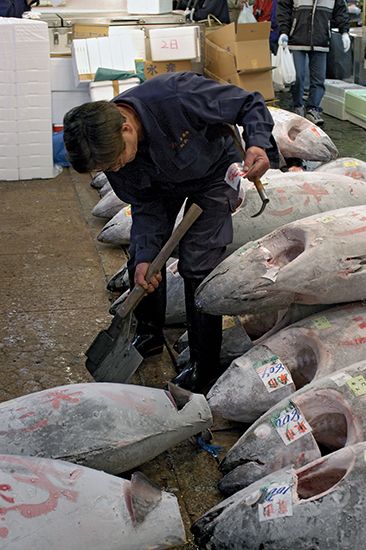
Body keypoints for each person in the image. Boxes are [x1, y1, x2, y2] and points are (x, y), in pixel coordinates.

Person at [63, 72, 278, 393]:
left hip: (212, 172)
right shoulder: (114, 157)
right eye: (107, 168)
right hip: (157, 185)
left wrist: (258, 143)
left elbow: (249, 103)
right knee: (142, 260)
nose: (115, 169)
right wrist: (147, 256)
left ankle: (204, 366)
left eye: (117, 161)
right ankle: (148, 332)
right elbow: (145, 206)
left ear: (127, 126)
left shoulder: (176, 96)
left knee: (198, 263)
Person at [276, 0, 350, 126]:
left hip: (321, 38)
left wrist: (344, 31)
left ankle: (313, 109)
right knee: (298, 76)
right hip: (297, 37)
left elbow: (341, 10)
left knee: (318, 79)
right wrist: (284, 31)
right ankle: (298, 106)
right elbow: (284, 7)